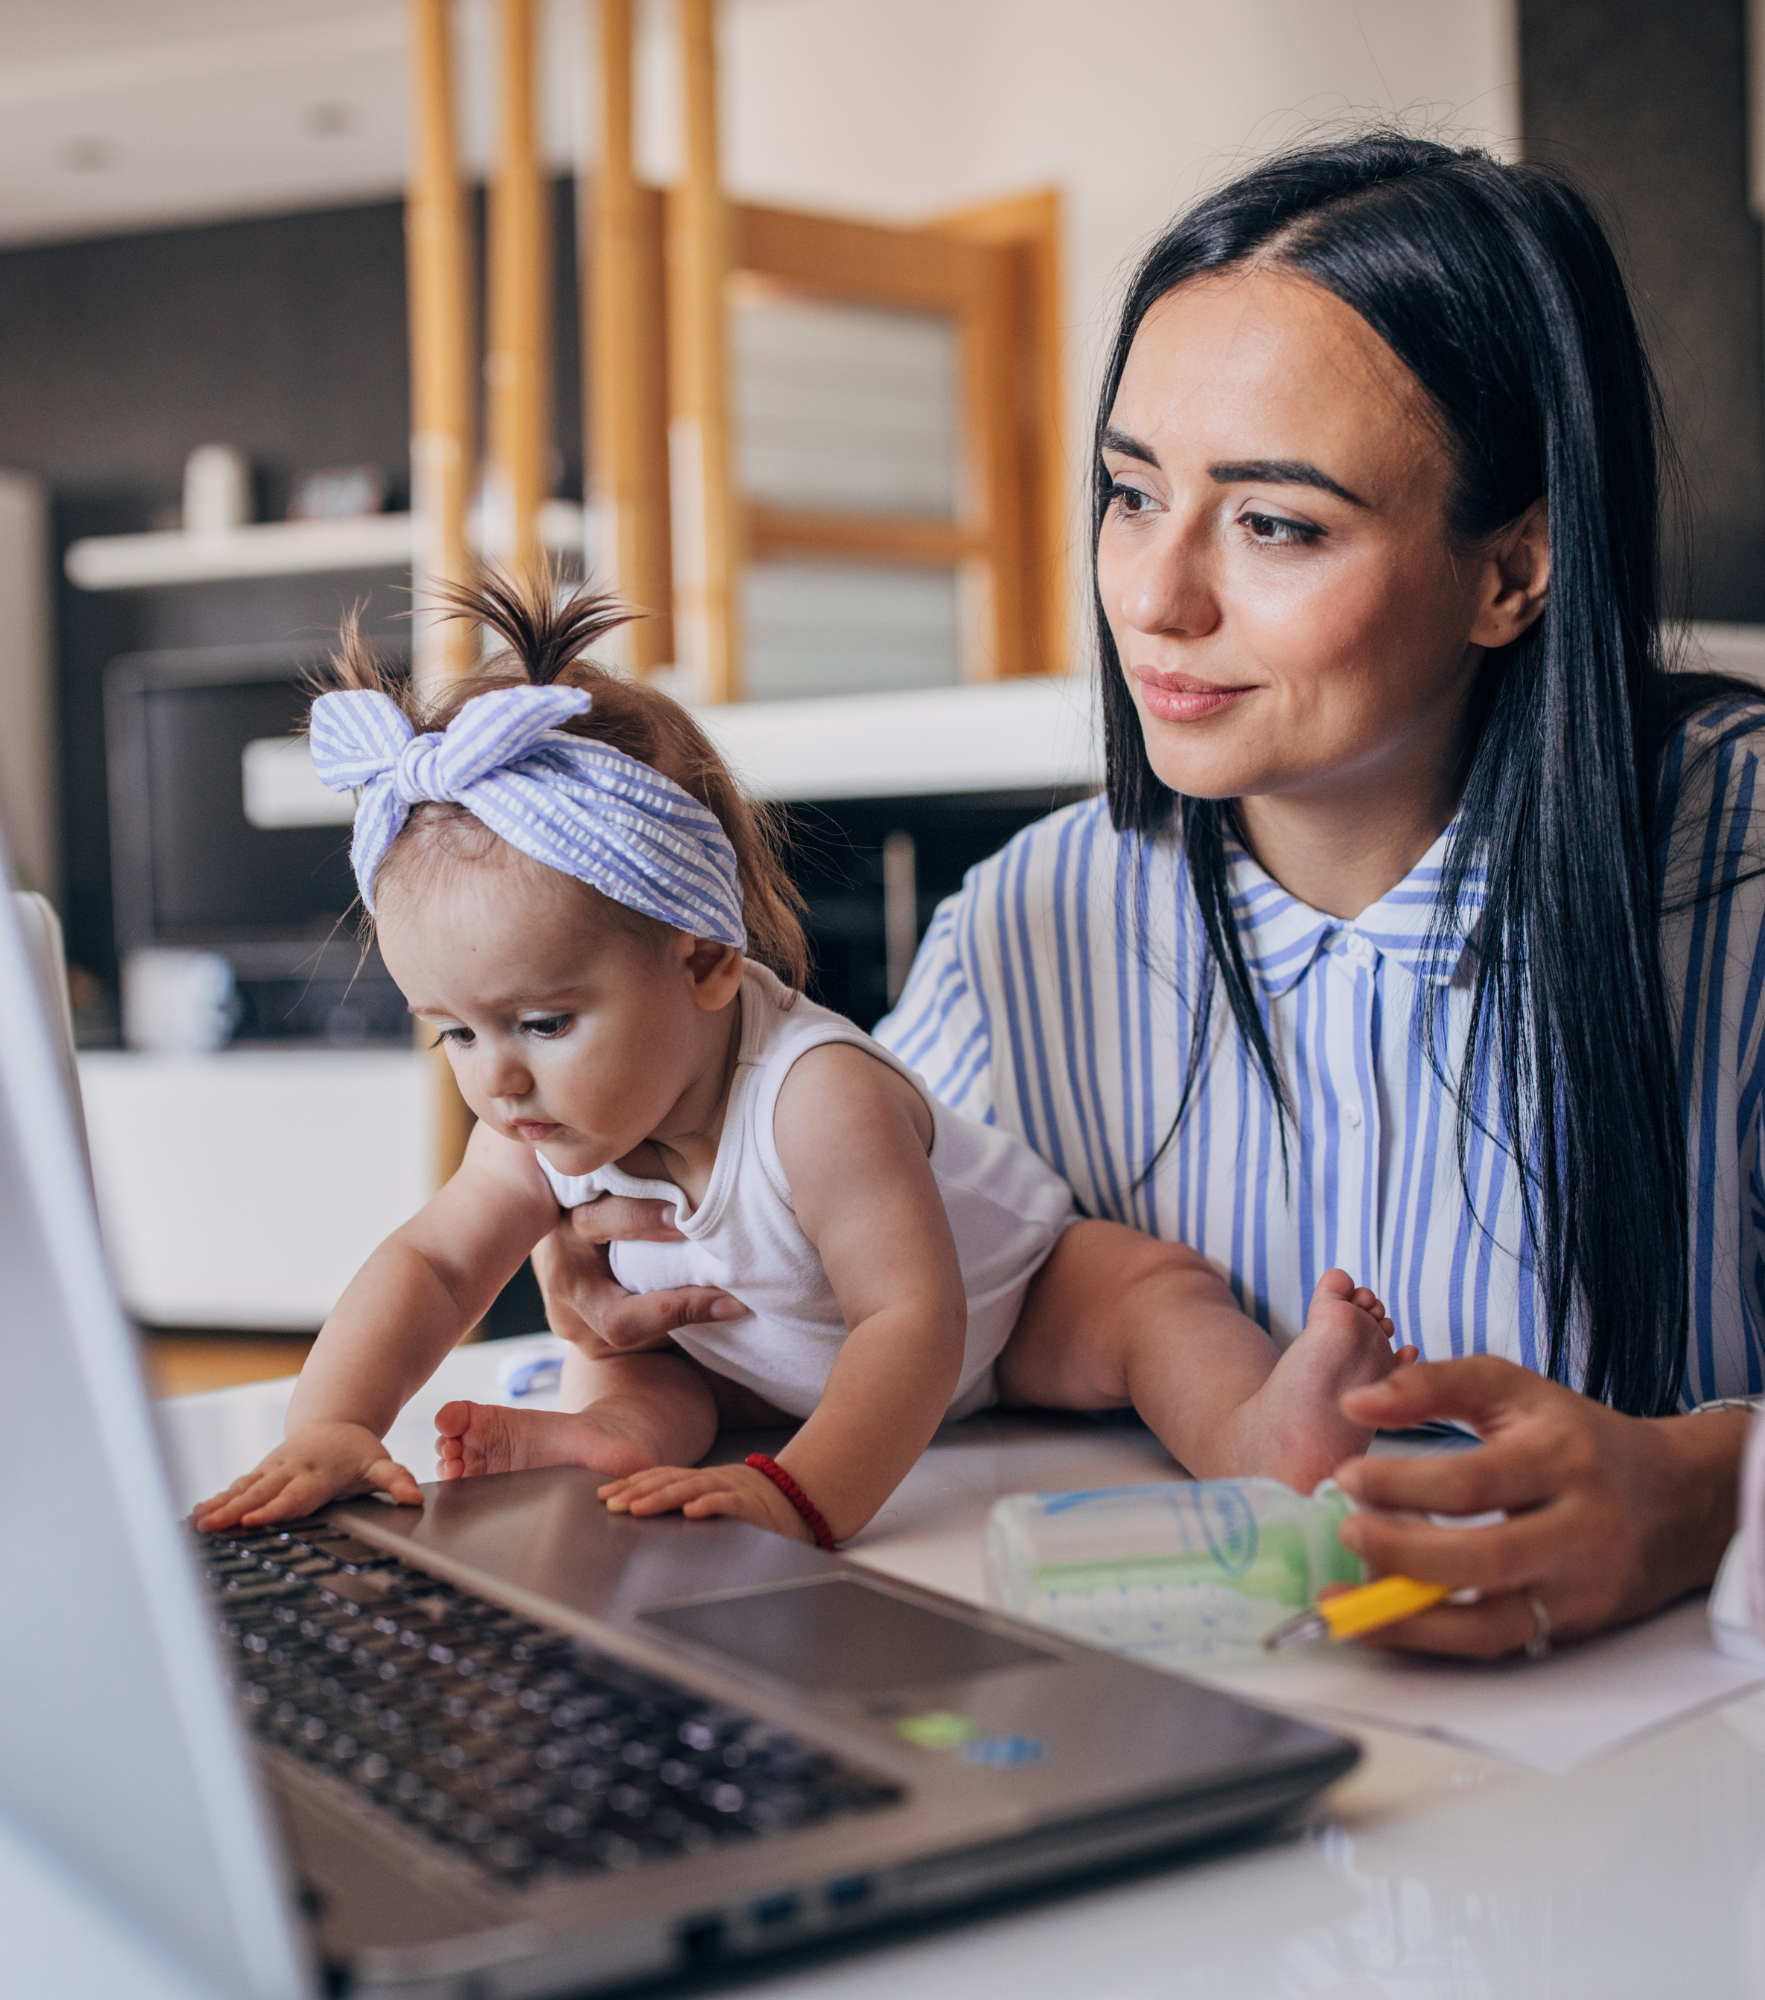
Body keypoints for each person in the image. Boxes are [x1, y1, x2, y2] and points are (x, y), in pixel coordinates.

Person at [535, 133, 1765, 1653]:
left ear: (1514, 572)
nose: (1154, 597)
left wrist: (1704, 1491)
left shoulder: (1740, 880)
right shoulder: (1032, 930)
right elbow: (886, 1326)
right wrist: (671, 1323)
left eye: (1275, 523)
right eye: (1130, 493)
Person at [193, 576, 1408, 1550]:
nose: (495, 1080)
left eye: (543, 1023)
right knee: (639, 1361)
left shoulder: (815, 1099)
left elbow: (910, 1325)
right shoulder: (529, 1121)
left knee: (1152, 1300)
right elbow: (429, 1260)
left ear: (707, 960)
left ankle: (1260, 1432)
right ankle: (609, 1440)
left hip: (1006, 1309)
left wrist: (800, 1492)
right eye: (453, 1030)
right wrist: (334, 1422)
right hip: (752, 1359)